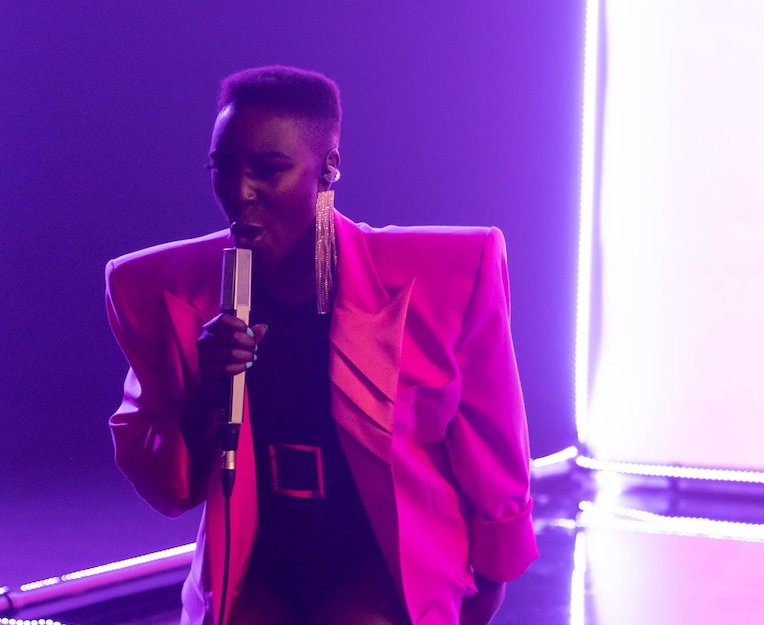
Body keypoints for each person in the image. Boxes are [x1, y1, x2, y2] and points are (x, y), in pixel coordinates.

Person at [105, 66, 537, 625]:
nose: (240, 191)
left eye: (269, 169)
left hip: (386, 563)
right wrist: (207, 388)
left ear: (328, 167)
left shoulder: (447, 278)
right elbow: (167, 490)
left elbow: (491, 433)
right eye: (223, 168)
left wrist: (494, 571)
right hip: (252, 565)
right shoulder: (160, 290)